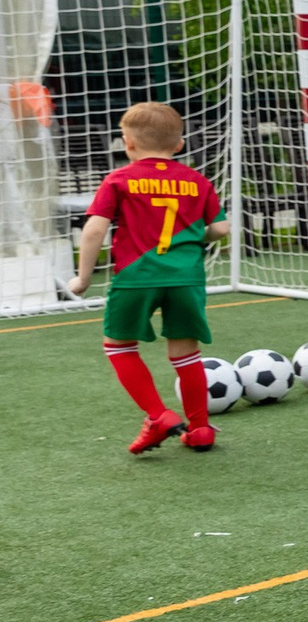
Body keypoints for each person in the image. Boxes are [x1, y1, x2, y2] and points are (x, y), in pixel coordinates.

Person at [69, 101, 232, 453]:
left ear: (127, 143)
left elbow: (94, 229)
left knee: (119, 347)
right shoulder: (196, 181)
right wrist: (190, 235)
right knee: (186, 353)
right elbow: (220, 228)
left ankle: (158, 415)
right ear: (179, 144)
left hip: (136, 277)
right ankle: (201, 429)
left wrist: (82, 278)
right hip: (187, 279)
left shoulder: (119, 179)